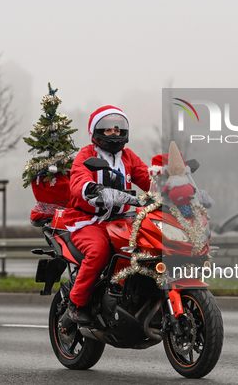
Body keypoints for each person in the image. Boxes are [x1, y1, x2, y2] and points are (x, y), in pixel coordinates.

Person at [61, 105, 150, 323]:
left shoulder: (128, 156)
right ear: (96, 130)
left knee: (146, 245)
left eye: (118, 129)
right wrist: (93, 189)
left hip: (121, 220)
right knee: (99, 251)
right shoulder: (86, 154)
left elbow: (147, 177)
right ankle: (76, 304)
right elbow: (78, 179)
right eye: (108, 129)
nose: (114, 133)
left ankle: (134, 296)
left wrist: (175, 187)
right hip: (87, 221)